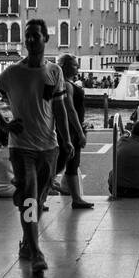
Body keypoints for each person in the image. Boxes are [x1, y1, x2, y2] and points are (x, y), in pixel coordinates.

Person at [0, 19, 75, 276]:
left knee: (37, 200)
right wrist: (5, 125)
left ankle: (26, 242)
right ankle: (36, 251)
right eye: (27, 36)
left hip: (49, 147)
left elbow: (59, 109)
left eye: (36, 36)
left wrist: (66, 139)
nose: (30, 40)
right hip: (21, 148)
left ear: (45, 39)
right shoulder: (11, 73)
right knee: (30, 196)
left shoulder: (54, 72)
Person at [56, 54, 94, 209]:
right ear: (64, 66)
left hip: (72, 128)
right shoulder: (66, 84)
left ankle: (76, 198)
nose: (77, 67)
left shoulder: (68, 83)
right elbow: (70, 109)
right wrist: (79, 132)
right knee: (60, 164)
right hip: (70, 130)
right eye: (74, 65)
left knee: (72, 164)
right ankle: (39, 194)